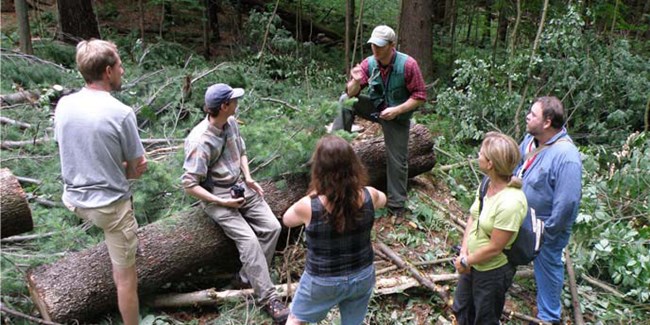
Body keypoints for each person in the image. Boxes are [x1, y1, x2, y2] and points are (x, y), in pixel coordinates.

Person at [54, 39, 148, 325]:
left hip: (73, 199)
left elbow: (69, 148)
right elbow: (136, 170)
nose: (122, 71)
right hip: (109, 209)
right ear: (108, 72)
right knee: (126, 281)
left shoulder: (64, 104)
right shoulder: (121, 113)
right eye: (119, 66)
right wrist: (125, 166)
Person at [181, 83, 289, 323]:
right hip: (216, 197)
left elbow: (241, 151)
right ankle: (268, 297)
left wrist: (248, 178)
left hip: (239, 187)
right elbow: (189, 185)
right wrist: (220, 201)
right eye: (234, 100)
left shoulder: (229, 123)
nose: (237, 103)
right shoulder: (200, 141)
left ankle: (245, 276)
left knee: (273, 228)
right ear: (224, 106)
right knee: (249, 240)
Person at [283, 135, 387, 325]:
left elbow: (287, 220)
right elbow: (383, 199)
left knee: (295, 320)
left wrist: (315, 193)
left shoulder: (308, 206)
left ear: (319, 170)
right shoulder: (368, 195)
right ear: (353, 165)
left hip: (322, 280)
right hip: (362, 274)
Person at [331, 25, 426, 216]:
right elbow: (350, 94)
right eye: (373, 44)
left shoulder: (408, 65)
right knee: (345, 101)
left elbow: (420, 95)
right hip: (376, 108)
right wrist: (356, 81)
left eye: (380, 45)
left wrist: (397, 110)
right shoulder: (369, 63)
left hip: (397, 116)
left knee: (398, 161)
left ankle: (397, 205)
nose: (375, 49)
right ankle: (335, 148)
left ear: (392, 45)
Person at [514, 96, 582, 324]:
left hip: (546, 226)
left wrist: (548, 231)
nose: (527, 116)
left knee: (548, 265)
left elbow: (567, 203)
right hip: (520, 217)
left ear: (547, 122)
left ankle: (549, 317)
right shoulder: (530, 140)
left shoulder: (566, 156)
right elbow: (517, 167)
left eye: (533, 114)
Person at [452, 132, 527, 325]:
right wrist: (464, 252)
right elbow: (473, 217)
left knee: (484, 317)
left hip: (492, 270)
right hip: (471, 263)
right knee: (461, 307)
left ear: (491, 163)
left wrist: (467, 261)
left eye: (481, 153)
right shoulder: (487, 183)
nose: (478, 155)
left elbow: (495, 247)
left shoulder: (511, 202)